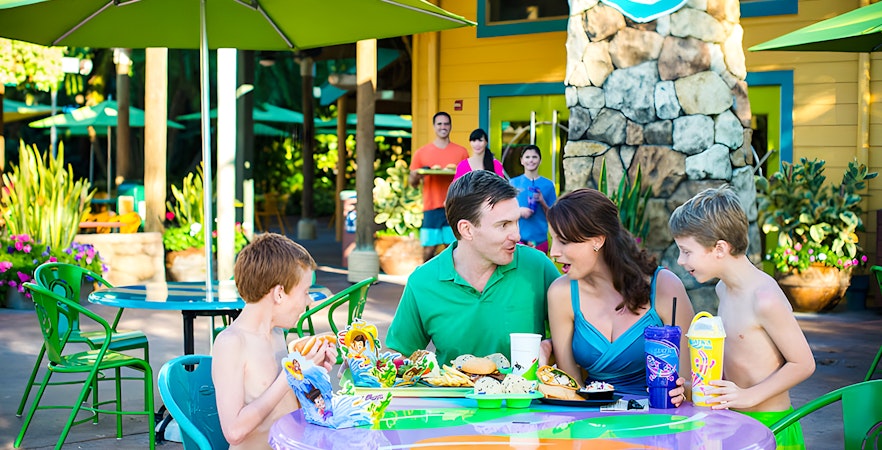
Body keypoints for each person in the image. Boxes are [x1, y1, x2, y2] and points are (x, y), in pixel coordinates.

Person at [669, 186, 815, 448]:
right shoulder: (723, 289)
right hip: (733, 423)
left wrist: (749, 396)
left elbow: (803, 364)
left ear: (719, 248)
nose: (680, 260)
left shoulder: (764, 298)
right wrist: (694, 388)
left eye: (686, 251)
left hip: (772, 427)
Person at [386, 170, 561, 366]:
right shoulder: (422, 282)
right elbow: (401, 357)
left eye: (516, 222)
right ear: (467, 229)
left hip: (526, 387)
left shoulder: (538, 266)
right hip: (450, 388)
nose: (516, 236)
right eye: (503, 225)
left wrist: (548, 346)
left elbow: (579, 335)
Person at [546, 188, 694, 403]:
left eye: (563, 241)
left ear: (598, 240)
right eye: (553, 240)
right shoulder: (561, 293)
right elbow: (571, 387)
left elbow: (689, 383)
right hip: (591, 417)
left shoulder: (665, 287)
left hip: (657, 416)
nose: (553, 252)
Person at [212, 233, 337, 449]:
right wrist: (289, 377)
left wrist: (311, 374)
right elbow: (233, 432)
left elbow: (287, 408)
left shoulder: (277, 334)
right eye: (305, 292)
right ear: (279, 293)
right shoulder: (231, 343)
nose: (308, 301)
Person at [409, 112, 470, 262]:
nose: (443, 127)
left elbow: (467, 181)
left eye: (446, 124)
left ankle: (454, 276)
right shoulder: (421, 153)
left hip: (454, 206)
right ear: (434, 126)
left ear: (451, 126)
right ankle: (425, 275)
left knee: (454, 248)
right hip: (431, 206)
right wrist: (417, 176)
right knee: (429, 249)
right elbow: (412, 182)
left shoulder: (461, 152)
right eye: (440, 124)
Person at [509, 145, 556, 253]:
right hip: (518, 239)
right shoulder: (513, 183)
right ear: (522, 161)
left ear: (540, 161)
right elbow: (504, 212)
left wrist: (542, 201)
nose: (531, 160)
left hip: (540, 240)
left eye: (534, 157)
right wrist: (519, 211)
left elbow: (553, 215)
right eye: (527, 157)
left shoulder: (548, 185)